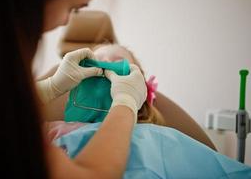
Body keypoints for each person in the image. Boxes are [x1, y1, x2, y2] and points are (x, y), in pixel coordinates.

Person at [0, 0, 150, 179]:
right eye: (73, 8)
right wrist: (125, 103)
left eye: (116, 61)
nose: (66, 21)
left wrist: (50, 88)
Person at [37, 43, 217, 150]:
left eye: (118, 62)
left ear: (138, 88)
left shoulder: (151, 136)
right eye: (98, 59)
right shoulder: (55, 130)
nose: (106, 64)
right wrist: (51, 87)